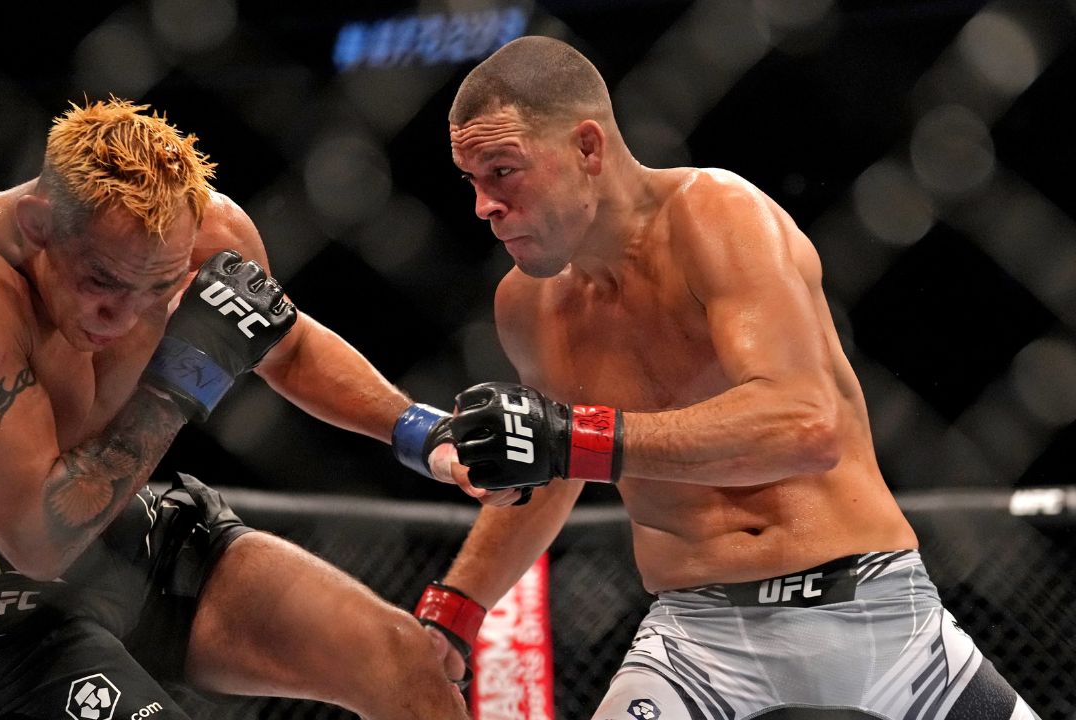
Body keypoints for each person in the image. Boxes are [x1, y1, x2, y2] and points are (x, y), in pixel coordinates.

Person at [412, 36, 1040, 720]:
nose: (483, 206)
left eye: (502, 170)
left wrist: (575, 438)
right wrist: (457, 607)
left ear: (587, 149)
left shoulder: (716, 217)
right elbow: (551, 466)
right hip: (694, 641)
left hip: (870, 614)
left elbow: (803, 424)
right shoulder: (527, 307)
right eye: (471, 181)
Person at [0, 97, 484, 720]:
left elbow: (287, 343)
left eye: (159, 288)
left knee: (403, 662)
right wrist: (178, 384)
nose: (126, 314)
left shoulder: (210, 232)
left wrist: (423, 431)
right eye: (102, 281)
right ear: (40, 225)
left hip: (128, 533)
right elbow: (36, 541)